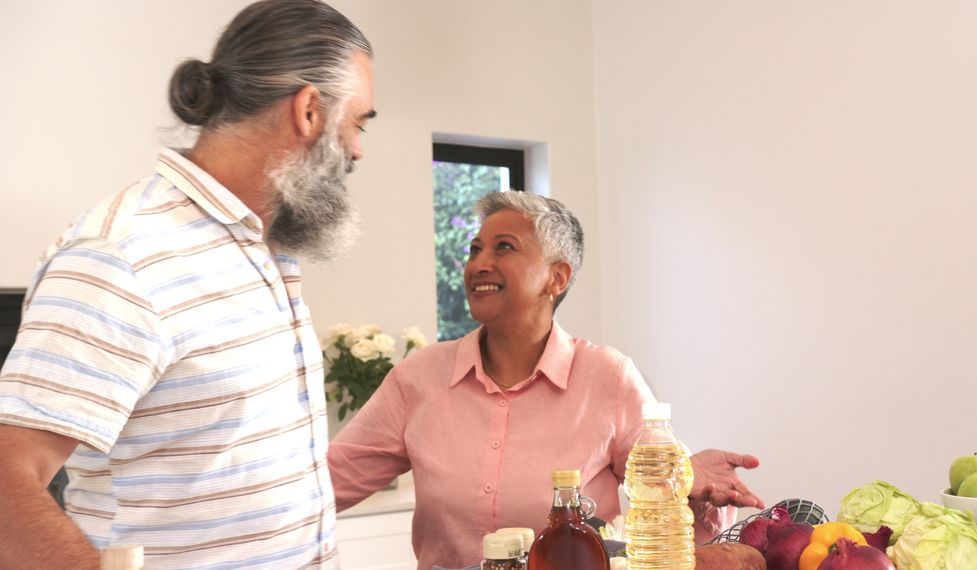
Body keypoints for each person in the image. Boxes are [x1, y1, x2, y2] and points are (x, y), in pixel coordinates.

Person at [0, 1, 375, 568]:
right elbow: (8, 483)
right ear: (308, 110)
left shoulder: (267, 248)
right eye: (357, 123)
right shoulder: (124, 256)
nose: (358, 149)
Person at [329, 192, 763, 569]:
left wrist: (694, 489)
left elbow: (668, 508)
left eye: (503, 248)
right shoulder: (418, 378)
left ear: (557, 278)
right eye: (475, 249)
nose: (479, 264)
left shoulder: (608, 377)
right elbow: (326, 482)